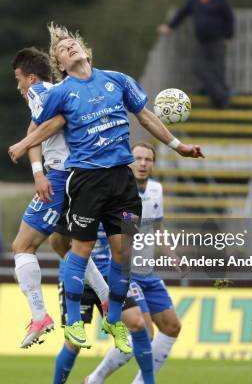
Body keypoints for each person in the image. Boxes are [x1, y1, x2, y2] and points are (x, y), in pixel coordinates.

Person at [8, 23, 203, 354]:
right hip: (85, 181)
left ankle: (110, 314)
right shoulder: (59, 92)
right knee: (67, 246)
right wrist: (31, 152)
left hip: (121, 182)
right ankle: (70, 317)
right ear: (59, 65)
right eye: (61, 49)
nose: (68, 48)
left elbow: (145, 116)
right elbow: (49, 122)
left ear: (86, 51)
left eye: (72, 44)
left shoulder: (117, 80)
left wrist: (177, 144)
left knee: (119, 253)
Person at [11, 47, 109, 349]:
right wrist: (37, 172)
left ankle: (40, 316)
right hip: (78, 175)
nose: (18, 88)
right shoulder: (59, 91)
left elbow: (55, 124)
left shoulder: (39, 91)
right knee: (60, 242)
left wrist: (26, 147)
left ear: (30, 77)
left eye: (18, 80)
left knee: (22, 245)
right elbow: (37, 131)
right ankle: (108, 300)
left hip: (63, 177)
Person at [85, 143, 182, 384]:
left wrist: (171, 254)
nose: (142, 163)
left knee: (171, 326)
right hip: (124, 272)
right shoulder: (117, 193)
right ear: (129, 162)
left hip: (148, 272)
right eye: (137, 158)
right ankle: (96, 378)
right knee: (144, 331)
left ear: (153, 164)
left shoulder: (157, 190)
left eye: (148, 159)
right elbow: (124, 233)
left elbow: (158, 226)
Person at [54, 226, 154, 384]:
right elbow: (56, 241)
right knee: (73, 342)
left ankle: (97, 379)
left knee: (138, 324)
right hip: (77, 278)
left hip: (109, 276)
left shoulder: (119, 204)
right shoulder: (74, 203)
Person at [158, 0, 234, 109]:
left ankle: (221, 100)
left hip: (217, 41)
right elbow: (182, 14)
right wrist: (169, 26)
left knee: (218, 71)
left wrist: (229, 36)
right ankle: (219, 97)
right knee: (200, 69)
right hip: (202, 42)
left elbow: (229, 18)